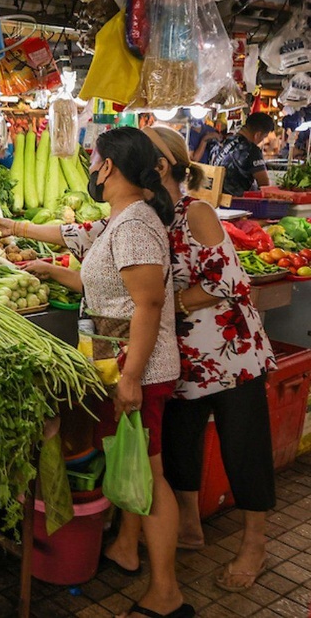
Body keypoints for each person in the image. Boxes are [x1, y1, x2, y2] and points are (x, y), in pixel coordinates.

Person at [0, 127, 192, 618]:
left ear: (109, 167)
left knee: (149, 475)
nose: (91, 169)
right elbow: (93, 279)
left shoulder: (137, 225)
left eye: (94, 160)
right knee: (139, 467)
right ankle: (130, 553)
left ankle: (167, 593)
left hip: (138, 367)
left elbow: (147, 304)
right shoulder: (121, 220)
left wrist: (131, 380)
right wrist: (46, 268)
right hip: (113, 358)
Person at [148, 126, 276, 592]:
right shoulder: (147, 215)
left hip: (229, 353)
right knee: (180, 444)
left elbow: (227, 281)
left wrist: (170, 303)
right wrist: (19, 231)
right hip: (180, 357)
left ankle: (254, 543)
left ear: (163, 165)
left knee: (244, 450)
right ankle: (188, 526)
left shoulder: (195, 211)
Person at [208, 112, 274, 196]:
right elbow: (264, 185)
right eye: (263, 137)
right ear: (257, 135)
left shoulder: (222, 143)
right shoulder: (251, 150)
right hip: (235, 204)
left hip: (213, 200)